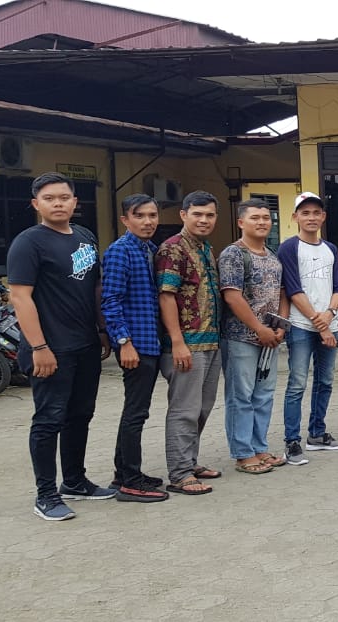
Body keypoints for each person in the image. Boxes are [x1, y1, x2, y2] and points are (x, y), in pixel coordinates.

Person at [10, 172, 114, 520]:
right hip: (50, 348)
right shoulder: (29, 242)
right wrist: (39, 346)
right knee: (48, 419)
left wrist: (101, 330)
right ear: (36, 204)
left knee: (80, 415)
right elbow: (20, 298)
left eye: (64, 197)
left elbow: (94, 288)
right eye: (50, 198)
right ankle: (46, 494)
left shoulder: (84, 237)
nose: (58, 203)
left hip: (85, 344)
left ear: (74, 202)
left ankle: (75, 481)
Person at [100, 193, 168, 502]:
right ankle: (130, 480)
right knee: (135, 412)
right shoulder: (120, 252)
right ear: (126, 219)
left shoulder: (150, 250)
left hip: (150, 343)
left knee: (137, 411)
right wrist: (123, 342)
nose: (148, 221)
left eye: (152, 215)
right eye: (139, 216)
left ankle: (122, 474)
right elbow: (110, 301)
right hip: (135, 345)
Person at [156, 190, 223, 495]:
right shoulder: (172, 249)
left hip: (210, 342)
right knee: (184, 409)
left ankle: (189, 461)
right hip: (185, 345)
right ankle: (180, 473)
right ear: (183, 215)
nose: (204, 220)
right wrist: (177, 341)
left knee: (202, 408)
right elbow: (166, 296)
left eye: (209, 215)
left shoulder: (206, 249)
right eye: (197, 214)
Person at [218, 198, 289, 475]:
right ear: (240, 222)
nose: (262, 222)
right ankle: (242, 453)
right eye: (255, 218)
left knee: (264, 395)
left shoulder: (272, 255)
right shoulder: (233, 254)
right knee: (241, 396)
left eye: (266, 218)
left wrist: (280, 326)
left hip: (271, 339)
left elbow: (282, 293)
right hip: (241, 338)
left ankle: (259, 447)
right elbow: (232, 295)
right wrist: (258, 328)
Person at [279, 191, 338, 465]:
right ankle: (292, 441)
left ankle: (317, 434)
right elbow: (293, 289)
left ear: (323, 216)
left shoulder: (330, 249)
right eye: (304, 212)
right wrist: (321, 325)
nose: (311, 217)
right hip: (301, 326)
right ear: (295, 217)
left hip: (328, 323)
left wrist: (330, 313)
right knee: (297, 383)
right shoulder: (289, 247)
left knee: (326, 381)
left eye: (315, 212)